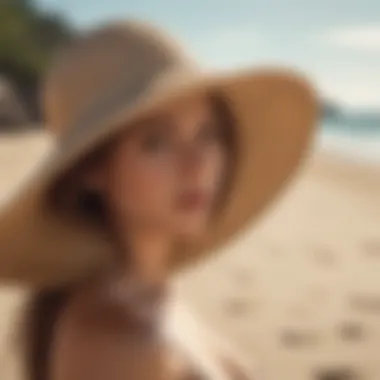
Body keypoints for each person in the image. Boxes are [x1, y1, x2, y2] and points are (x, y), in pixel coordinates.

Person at [0, 20, 317, 379]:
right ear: (93, 170)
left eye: (207, 133)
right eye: (157, 142)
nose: (197, 166)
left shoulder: (145, 293)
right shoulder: (117, 344)